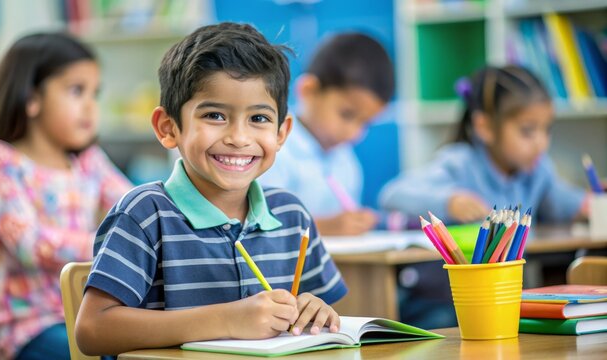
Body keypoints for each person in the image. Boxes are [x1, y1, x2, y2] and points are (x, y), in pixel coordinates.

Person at [75, 22, 347, 356]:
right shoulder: (144, 214)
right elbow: (92, 330)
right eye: (215, 115)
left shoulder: (292, 215)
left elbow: (325, 311)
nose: (238, 137)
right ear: (168, 127)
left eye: (259, 119)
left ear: (281, 132)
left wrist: (316, 311)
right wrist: (227, 319)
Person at [0, 33, 132, 360]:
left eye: (94, 94)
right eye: (76, 91)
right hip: (22, 329)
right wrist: (114, 245)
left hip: (83, 315)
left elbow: (134, 207)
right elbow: (32, 245)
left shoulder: (87, 161)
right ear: (31, 98)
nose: (90, 106)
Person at [379, 65, 588, 225]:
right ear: (485, 127)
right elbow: (392, 195)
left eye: (547, 130)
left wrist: (588, 205)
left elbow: (564, 203)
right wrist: (450, 202)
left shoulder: (537, 171)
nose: (541, 144)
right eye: (527, 131)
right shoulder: (460, 162)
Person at [258, 33, 396, 236]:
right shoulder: (275, 151)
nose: (354, 134)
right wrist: (324, 227)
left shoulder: (345, 159)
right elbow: (259, 227)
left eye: (365, 123)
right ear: (309, 90)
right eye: (347, 114)